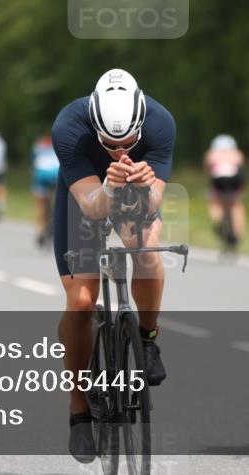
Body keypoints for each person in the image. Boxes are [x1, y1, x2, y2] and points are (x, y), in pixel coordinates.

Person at [51, 68, 176, 462]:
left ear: (141, 123)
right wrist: (109, 184)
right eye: (108, 143)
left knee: (145, 249)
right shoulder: (69, 125)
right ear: (95, 124)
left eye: (128, 143)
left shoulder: (161, 124)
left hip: (134, 193)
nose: (120, 151)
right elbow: (91, 207)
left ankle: (147, 337)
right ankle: (78, 410)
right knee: (82, 303)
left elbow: (154, 204)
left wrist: (142, 183)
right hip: (84, 193)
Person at [203, 133, 246, 252]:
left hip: (218, 180)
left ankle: (219, 221)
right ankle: (237, 233)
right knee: (237, 206)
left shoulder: (211, 154)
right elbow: (242, 171)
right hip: (234, 180)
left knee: (214, 202)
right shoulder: (237, 153)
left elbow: (208, 173)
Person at [31, 134, 60, 246]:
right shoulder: (60, 145)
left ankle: (39, 230)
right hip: (56, 176)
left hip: (41, 177)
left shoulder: (38, 147)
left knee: (41, 205)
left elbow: (33, 165)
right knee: (58, 202)